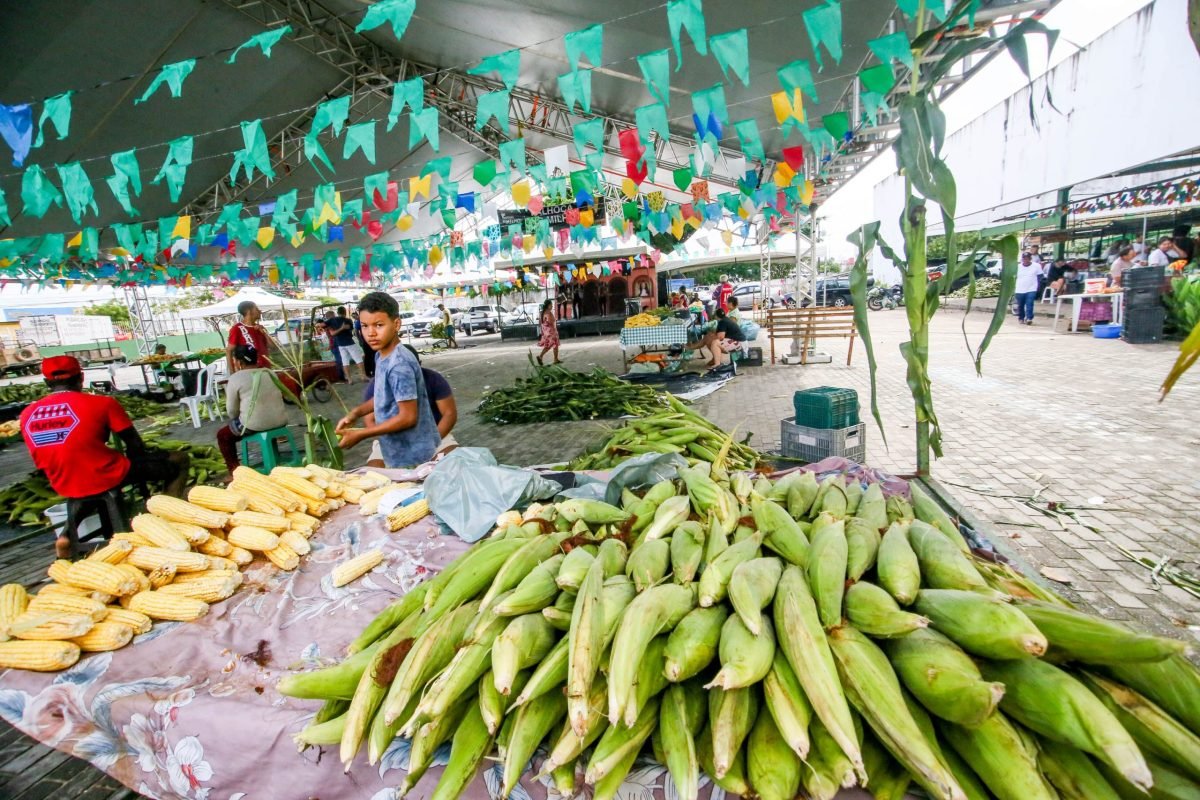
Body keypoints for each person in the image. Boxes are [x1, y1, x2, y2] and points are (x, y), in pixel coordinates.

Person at [21, 356, 189, 558]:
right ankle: (165, 521)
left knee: (86, 485)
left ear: (47, 382)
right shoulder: (103, 403)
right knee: (178, 460)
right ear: (81, 378)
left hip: (61, 479)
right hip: (104, 473)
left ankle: (65, 535)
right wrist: (145, 459)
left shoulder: (28, 413)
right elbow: (135, 445)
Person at [335, 292, 440, 468]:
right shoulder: (381, 356)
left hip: (414, 457)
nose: (371, 333)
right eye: (365, 326)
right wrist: (356, 412)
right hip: (397, 451)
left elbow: (408, 417)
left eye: (379, 325)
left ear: (396, 324)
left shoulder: (399, 365)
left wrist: (363, 434)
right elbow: (385, 396)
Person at [363, 345, 458, 466]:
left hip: (433, 434)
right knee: (374, 473)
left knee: (453, 463)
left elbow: (449, 414)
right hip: (392, 440)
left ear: (419, 364)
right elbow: (370, 420)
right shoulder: (376, 385)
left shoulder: (434, 379)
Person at [216, 345, 288, 479]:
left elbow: (231, 411)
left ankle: (234, 472)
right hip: (280, 421)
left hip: (254, 425)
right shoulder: (270, 373)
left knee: (223, 436)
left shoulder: (236, 378)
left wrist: (238, 417)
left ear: (238, 362)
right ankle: (274, 460)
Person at [226, 300, 272, 372]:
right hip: (249, 373)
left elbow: (272, 346)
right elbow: (229, 351)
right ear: (249, 311)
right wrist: (232, 373)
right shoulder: (237, 328)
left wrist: (265, 333)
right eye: (256, 309)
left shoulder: (260, 328)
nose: (260, 311)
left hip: (266, 370)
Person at [326, 306, 366, 384]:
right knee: (358, 359)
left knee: (345, 362)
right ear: (345, 312)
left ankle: (349, 379)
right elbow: (349, 330)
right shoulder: (346, 320)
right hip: (348, 343)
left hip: (340, 344)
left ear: (337, 313)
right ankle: (363, 376)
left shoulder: (331, 323)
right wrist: (342, 328)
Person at [1014, 253, 1040, 325]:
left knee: (1030, 303)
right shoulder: (1018, 267)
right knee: (1020, 305)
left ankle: (1029, 318)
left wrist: (1038, 287)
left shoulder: (1036, 266)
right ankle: (1021, 317)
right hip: (1020, 288)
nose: (1026, 260)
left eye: (1027, 258)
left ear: (1030, 259)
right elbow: (1014, 277)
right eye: (1024, 258)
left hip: (1031, 288)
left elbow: (1040, 276)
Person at [536, 299, 560, 365]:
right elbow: (551, 321)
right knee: (553, 344)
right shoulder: (548, 313)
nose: (552, 306)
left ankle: (555, 358)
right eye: (551, 305)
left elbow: (540, 323)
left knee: (551, 345)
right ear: (548, 305)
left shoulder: (542, 313)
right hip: (551, 331)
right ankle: (542, 356)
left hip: (545, 331)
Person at [353, 311, 375, 378]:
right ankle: (368, 372)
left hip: (372, 339)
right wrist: (360, 341)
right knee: (368, 356)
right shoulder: (358, 322)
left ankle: (374, 370)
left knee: (373, 355)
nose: (354, 317)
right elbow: (356, 332)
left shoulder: (366, 319)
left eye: (355, 316)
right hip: (365, 341)